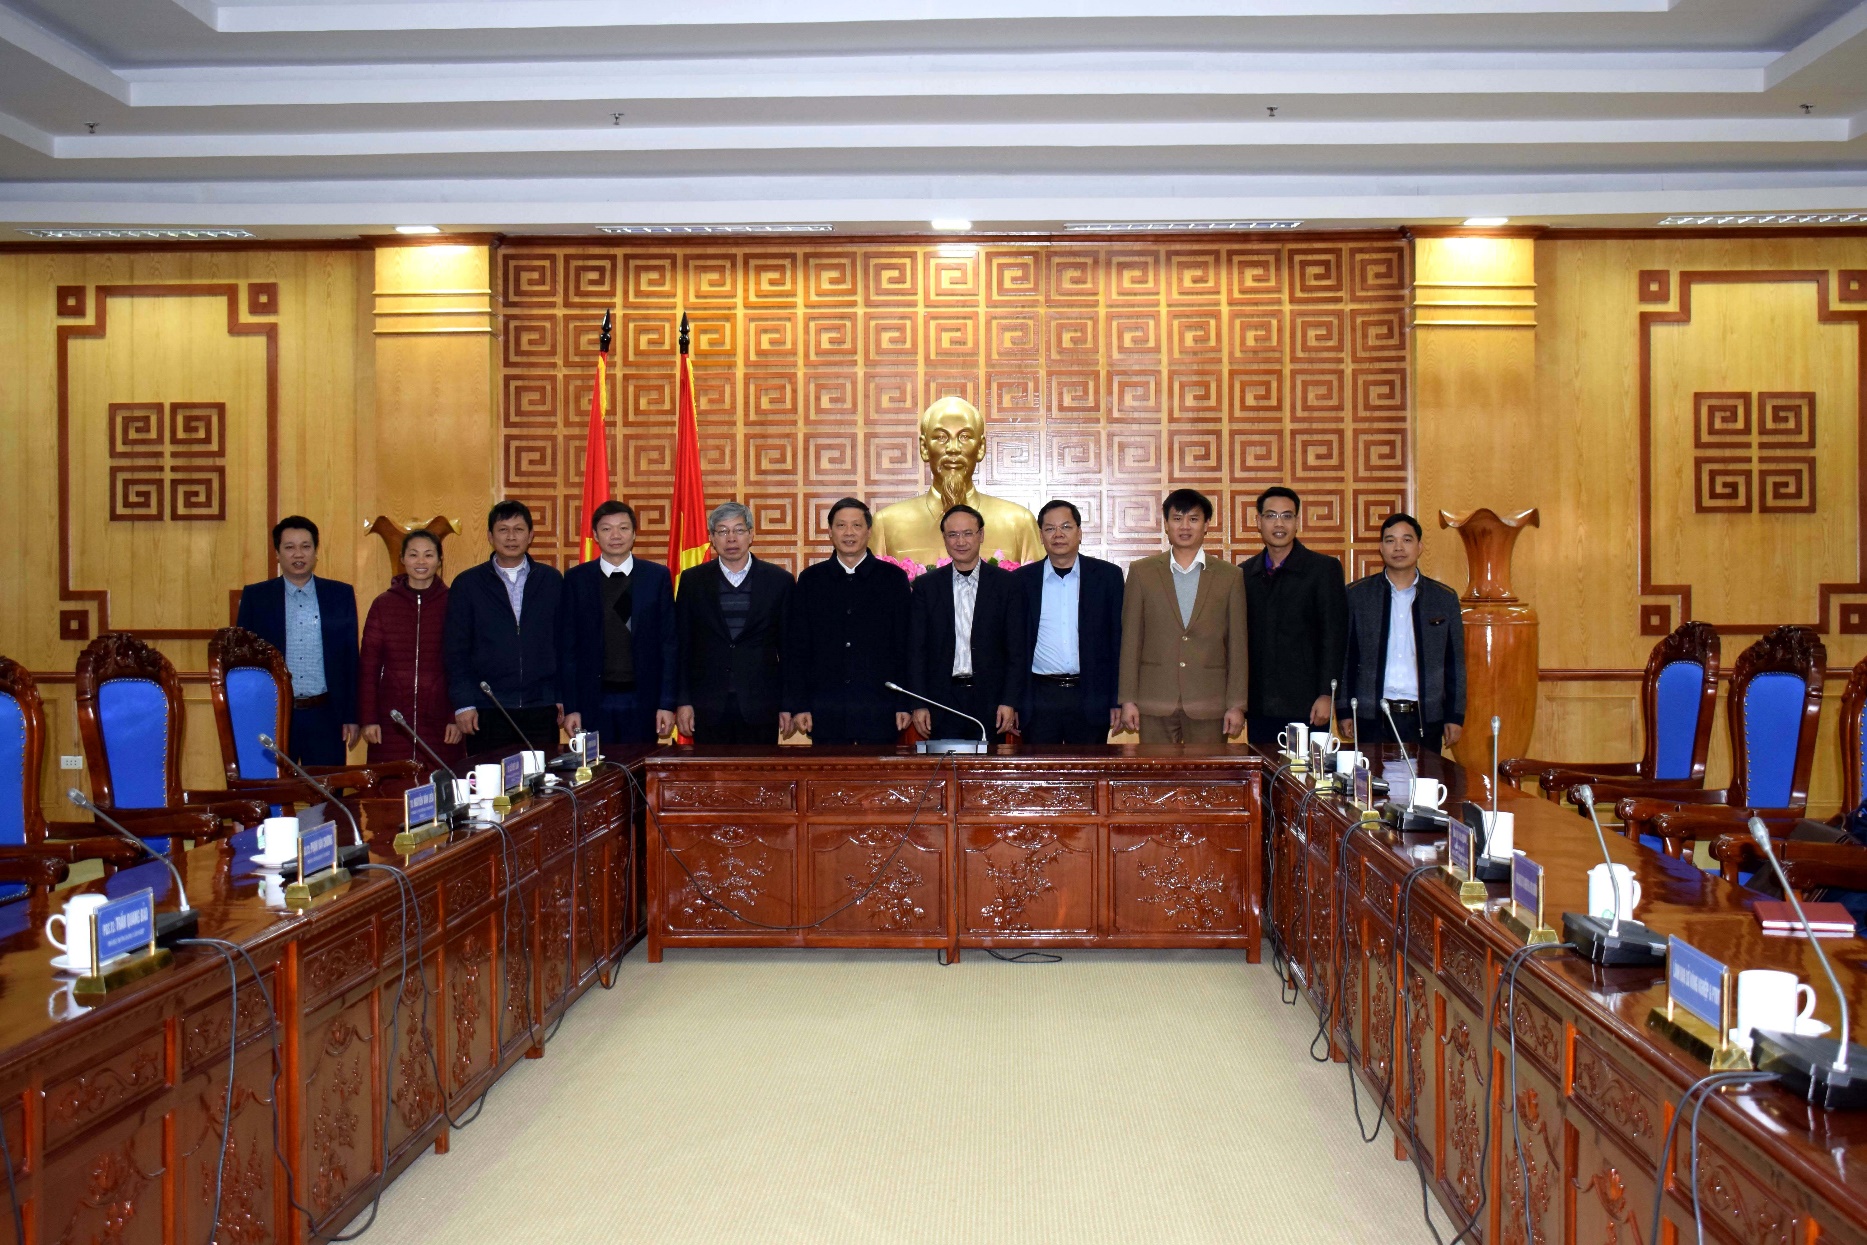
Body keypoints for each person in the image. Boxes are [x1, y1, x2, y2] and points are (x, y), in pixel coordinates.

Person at [1117, 489, 1248, 745]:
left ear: (1206, 524)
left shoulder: (1230, 576)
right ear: (1166, 524)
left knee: (1207, 771)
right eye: (1177, 519)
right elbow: (1131, 640)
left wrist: (1237, 704)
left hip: (1209, 701)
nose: (1185, 526)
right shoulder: (1142, 572)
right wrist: (1128, 699)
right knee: (1156, 770)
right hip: (1154, 699)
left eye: (1193, 519)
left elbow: (1237, 645)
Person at [783, 498, 912, 746]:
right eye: (841, 526)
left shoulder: (893, 579)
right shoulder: (811, 580)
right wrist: (799, 704)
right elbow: (798, 648)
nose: (849, 532)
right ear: (830, 532)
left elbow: (905, 645)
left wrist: (904, 703)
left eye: (856, 525)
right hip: (825, 709)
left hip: (880, 707)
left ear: (869, 531)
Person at [235, 515, 359, 767]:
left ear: (316, 552)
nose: (298, 554)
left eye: (306, 546)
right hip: (273, 713)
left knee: (326, 788)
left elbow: (350, 658)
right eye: (289, 547)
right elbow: (243, 662)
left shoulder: (340, 595)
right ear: (278, 554)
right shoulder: (256, 597)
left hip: (326, 714)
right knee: (274, 787)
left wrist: (352, 715)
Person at [1338, 512, 1466, 754]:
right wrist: (1345, 710)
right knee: (1371, 778)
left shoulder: (1443, 598)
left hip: (1425, 717)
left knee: (1424, 778)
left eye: (1407, 540)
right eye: (1390, 540)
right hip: (1371, 715)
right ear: (1381, 548)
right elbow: (1346, 658)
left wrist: (1454, 715)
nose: (1398, 547)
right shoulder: (1357, 595)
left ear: (1419, 547)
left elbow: (1455, 662)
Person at [444, 500, 564, 756]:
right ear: (490, 536)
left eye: (518, 529)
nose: (511, 537)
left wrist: (561, 696)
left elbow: (563, 643)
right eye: (503, 530)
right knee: (489, 779)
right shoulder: (467, 584)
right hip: (486, 708)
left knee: (541, 778)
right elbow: (456, 650)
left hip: (540, 707)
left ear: (530, 535)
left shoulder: (551, 580)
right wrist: (463, 703)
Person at [870, 397, 1044, 567]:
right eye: (941, 437)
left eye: (964, 437)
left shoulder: (1018, 523)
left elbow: (1035, 583)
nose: (953, 449)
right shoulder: (887, 524)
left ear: (980, 447)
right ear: (924, 448)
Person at [674, 501, 794, 744]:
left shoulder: (779, 581)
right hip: (707, 704)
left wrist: (789, 704)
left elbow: (790, 649)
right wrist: (683, 701)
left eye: (739, 530)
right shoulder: (693, 581)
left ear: (751, 534)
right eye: (722, 531)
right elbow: (682, 645)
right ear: (712, 538)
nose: (731, 538)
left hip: (761, 704)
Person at [559, 501, 677, 747]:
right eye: (606, 529)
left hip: (643, 699)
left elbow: (669, 643)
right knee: (596, 769)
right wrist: (571, 706)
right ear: (595, 535)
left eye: (623, 528)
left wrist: (667, 703)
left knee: (640, 767)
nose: (615, 535)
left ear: (634, 534)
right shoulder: (576, 579)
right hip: (593, 700)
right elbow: (567, 647)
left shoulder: (656, 577)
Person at [907, 504, 1027, 745]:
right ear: (944, 538)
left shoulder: (1007, 585)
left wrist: (1009, 700)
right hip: (941, 701)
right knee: (944, 767)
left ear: (981, 535)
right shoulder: (926, 586)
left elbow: (1017, 649)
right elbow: (916, 650)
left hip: (990, 701)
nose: (960, 541)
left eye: (968, 533)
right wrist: (919, 703)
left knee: (987, 768)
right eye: (952, 534)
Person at [1240, 486, 1348, 746]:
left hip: (1308, 705)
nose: (1279, 524)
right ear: (1258, 522)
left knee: (1308, 772)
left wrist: (1327, 694)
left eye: (1287, 516)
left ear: (1297, 521)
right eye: (1271, 516)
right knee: (1264, 771)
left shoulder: (1323, 569)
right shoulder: (1244, 573)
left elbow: (1334, 637)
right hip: (1259, 705)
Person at [1013, 499, 1124, 745]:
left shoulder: (1108, 577)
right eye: (1050, 528)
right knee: (1039, 768)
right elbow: (1012, 646)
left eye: (1066, 527)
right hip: (1039, 697)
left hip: (1091, 694)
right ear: (1041, 536)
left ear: (1079, 532)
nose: (1058, 534)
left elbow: (1118, 641)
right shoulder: (1021, 581)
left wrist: (1117, 699)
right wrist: (1013, 701)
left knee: (1088, 767)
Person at [357, 529, 463, 769]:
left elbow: (464, 664)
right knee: (391, 786)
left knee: (441, 786)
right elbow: (369, 667)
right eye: (413, 555)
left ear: (440, 560)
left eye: (428, 555)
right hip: (391, 722)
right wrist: (368, 719)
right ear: (402, 559)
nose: (421, 561)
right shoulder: (383, 604)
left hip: (442, 722)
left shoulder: (454, 602)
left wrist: (456, 716)